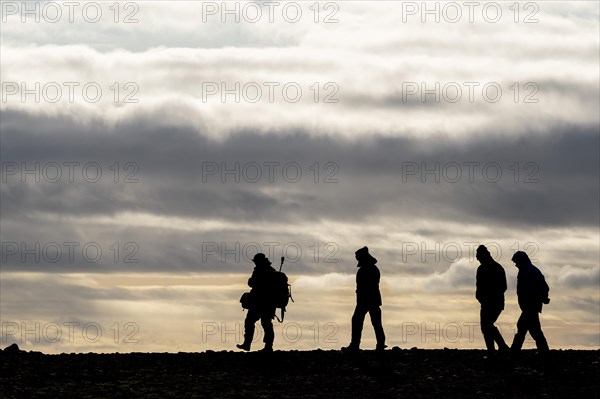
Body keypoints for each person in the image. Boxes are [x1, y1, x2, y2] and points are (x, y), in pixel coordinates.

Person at [342, 246, 386, 352]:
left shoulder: (369, 269)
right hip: (369, 300)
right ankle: (378, 344)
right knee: (373, 322)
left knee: (361, 320)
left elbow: (369, 286)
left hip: (367, 300)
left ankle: (356, 345)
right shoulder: (370, 269)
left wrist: (363, 297)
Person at [510, 251, 550, 352]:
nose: (515, 264)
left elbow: (528, 289)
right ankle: (543, 351)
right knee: (528, 328)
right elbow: (544, 286)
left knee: (530, 329)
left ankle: (514, 351)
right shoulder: (533, 270)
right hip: (533, 305)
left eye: (516, 262)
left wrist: (535, 299)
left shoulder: (525, 271)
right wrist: (543, 297)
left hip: (529, 305)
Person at [236, 253, 277, 352]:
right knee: (266, 323)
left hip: (259, 302)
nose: (254, 263)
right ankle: (268, 346)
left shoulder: (259, 271)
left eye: (255, 261)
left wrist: (251, 281)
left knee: (250, 321)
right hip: (269, 303)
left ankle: (248, 344)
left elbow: (252, 283)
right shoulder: (272, 271)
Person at [475, 245, 510, 354]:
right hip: (486, 303)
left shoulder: (497, 268)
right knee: (485, 326)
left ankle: (501, 347)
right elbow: (479, 286)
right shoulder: (481, 269)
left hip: (495, 302)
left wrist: (490, 296)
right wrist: (479, 297)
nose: (478, 260)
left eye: (479, 257)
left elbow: (503, 286)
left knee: (487, 325)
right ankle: (493, 349)